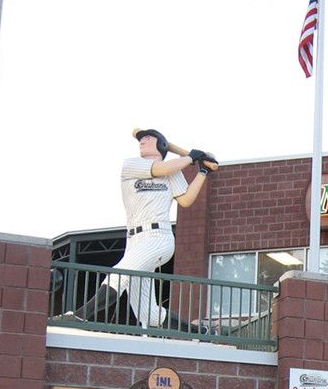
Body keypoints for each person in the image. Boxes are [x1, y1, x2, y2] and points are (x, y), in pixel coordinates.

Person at [57, 129, 216, 331]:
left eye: (149, 137)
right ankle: (201, 332)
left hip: (158, 237)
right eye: (141, 138)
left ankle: (79, 317)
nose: (143, 140)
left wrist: (203, 172)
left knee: (120, 273)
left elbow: (185, 200)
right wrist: (193, 157)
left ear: (161, 145)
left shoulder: (173, 170)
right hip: (134, 241)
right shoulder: (132, 164)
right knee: (148, 314)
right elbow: (162, 169)